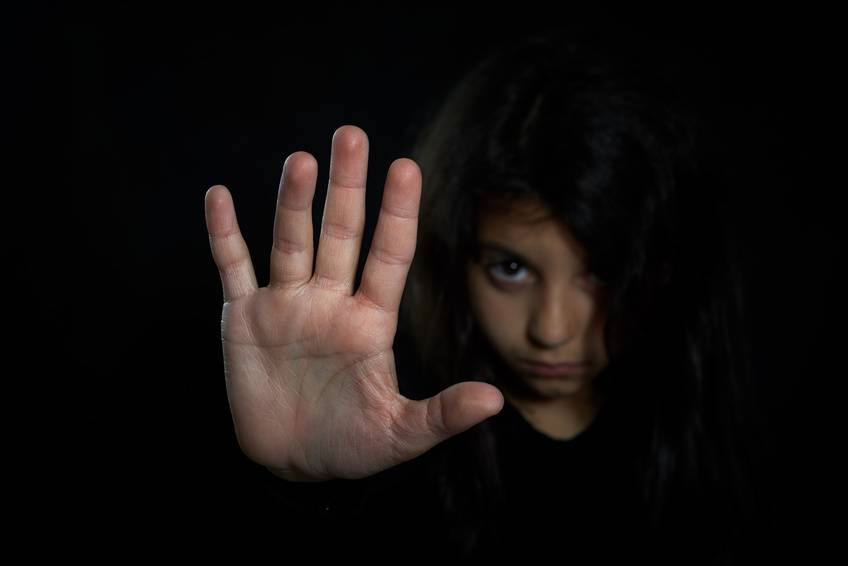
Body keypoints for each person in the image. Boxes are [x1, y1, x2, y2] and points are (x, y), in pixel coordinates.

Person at [204, 33, 770, 562]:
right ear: (457, 257)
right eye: (512, 269)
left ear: (664, 267)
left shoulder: (713, 439)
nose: (551, 329)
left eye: (603, 273)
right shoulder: (391, 428)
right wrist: (305, 486)